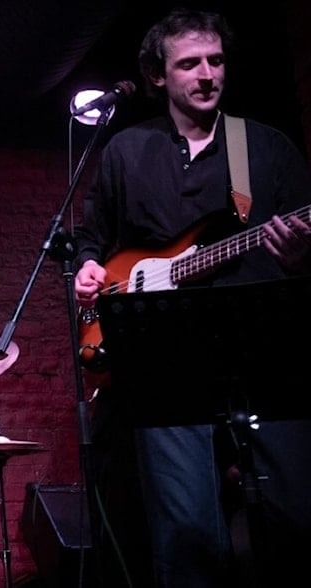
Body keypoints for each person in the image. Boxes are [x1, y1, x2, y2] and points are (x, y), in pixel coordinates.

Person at [73, 9, 311, 588]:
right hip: (163, 365)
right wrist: (85, 269)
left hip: (264, 357)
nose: (207, 74)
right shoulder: (126, 151)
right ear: (159, 75)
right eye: (189, 63)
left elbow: (305, 251)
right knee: (187, 536)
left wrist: (299, 257)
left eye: (216, 61)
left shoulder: (265, 147)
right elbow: (93, 240)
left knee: (295, 522)